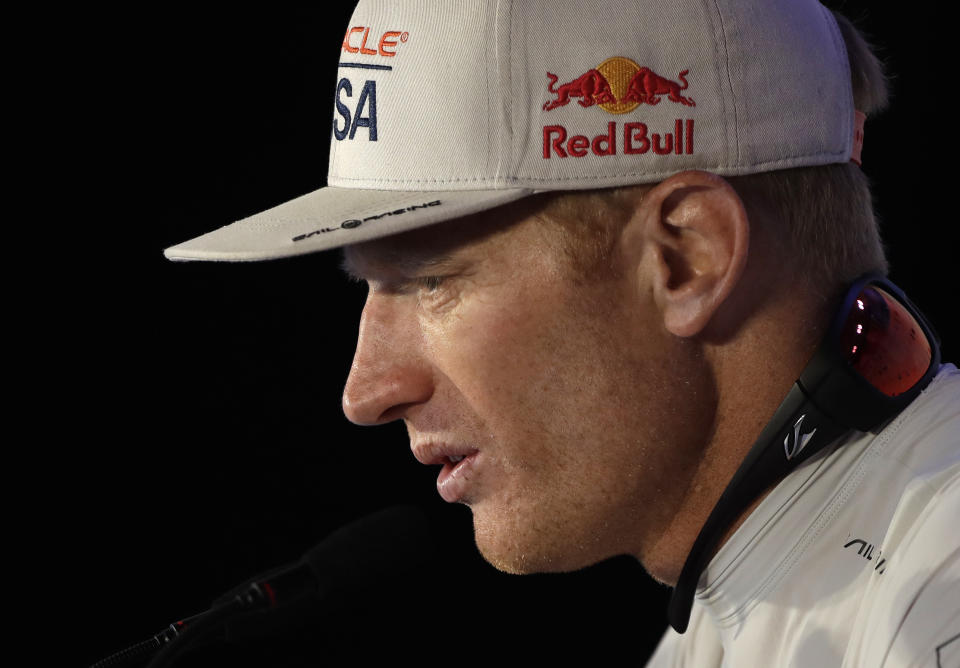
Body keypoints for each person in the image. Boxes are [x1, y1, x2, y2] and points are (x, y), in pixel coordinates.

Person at [164, 0, 959, 665]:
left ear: (688, 257)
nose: (366, 391)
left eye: (431, 280)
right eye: (371, 287)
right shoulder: (752, 594)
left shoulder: (937, 598)